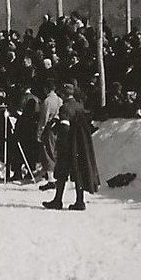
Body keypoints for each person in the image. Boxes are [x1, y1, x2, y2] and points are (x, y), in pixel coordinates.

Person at [43, 83, 100, 211]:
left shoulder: (64, 108)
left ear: (63, 94)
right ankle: (80, 201)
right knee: (78, 172)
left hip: (68, 145)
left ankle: (57, 200)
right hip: (80, 145)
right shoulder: (79, 106)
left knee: (62, 173)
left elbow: (65, 128)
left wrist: (59, 139)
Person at [36, 80, 62, 191]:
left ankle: (51, 179)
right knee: (55, 151)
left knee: (48, 152)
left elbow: (44, 118)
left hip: (49, 128)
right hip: (58, 127)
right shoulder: (59, 100)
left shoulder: (47, 101)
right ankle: (56, 176)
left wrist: (39, 132)